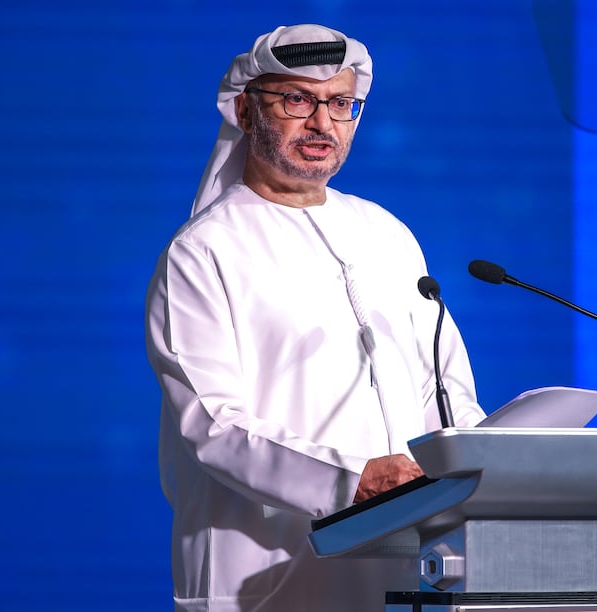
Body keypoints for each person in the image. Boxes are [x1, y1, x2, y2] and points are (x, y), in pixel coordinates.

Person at [145, 24, 484, 612]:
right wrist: (349, 480)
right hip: (264, 574)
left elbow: (443, 390)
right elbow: (212, 424)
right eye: (297, 100)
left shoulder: (388, 234)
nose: (323, 124)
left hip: (406, 564)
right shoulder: (203, 251)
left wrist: (488, 465)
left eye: (341, 104)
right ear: (248, 111)